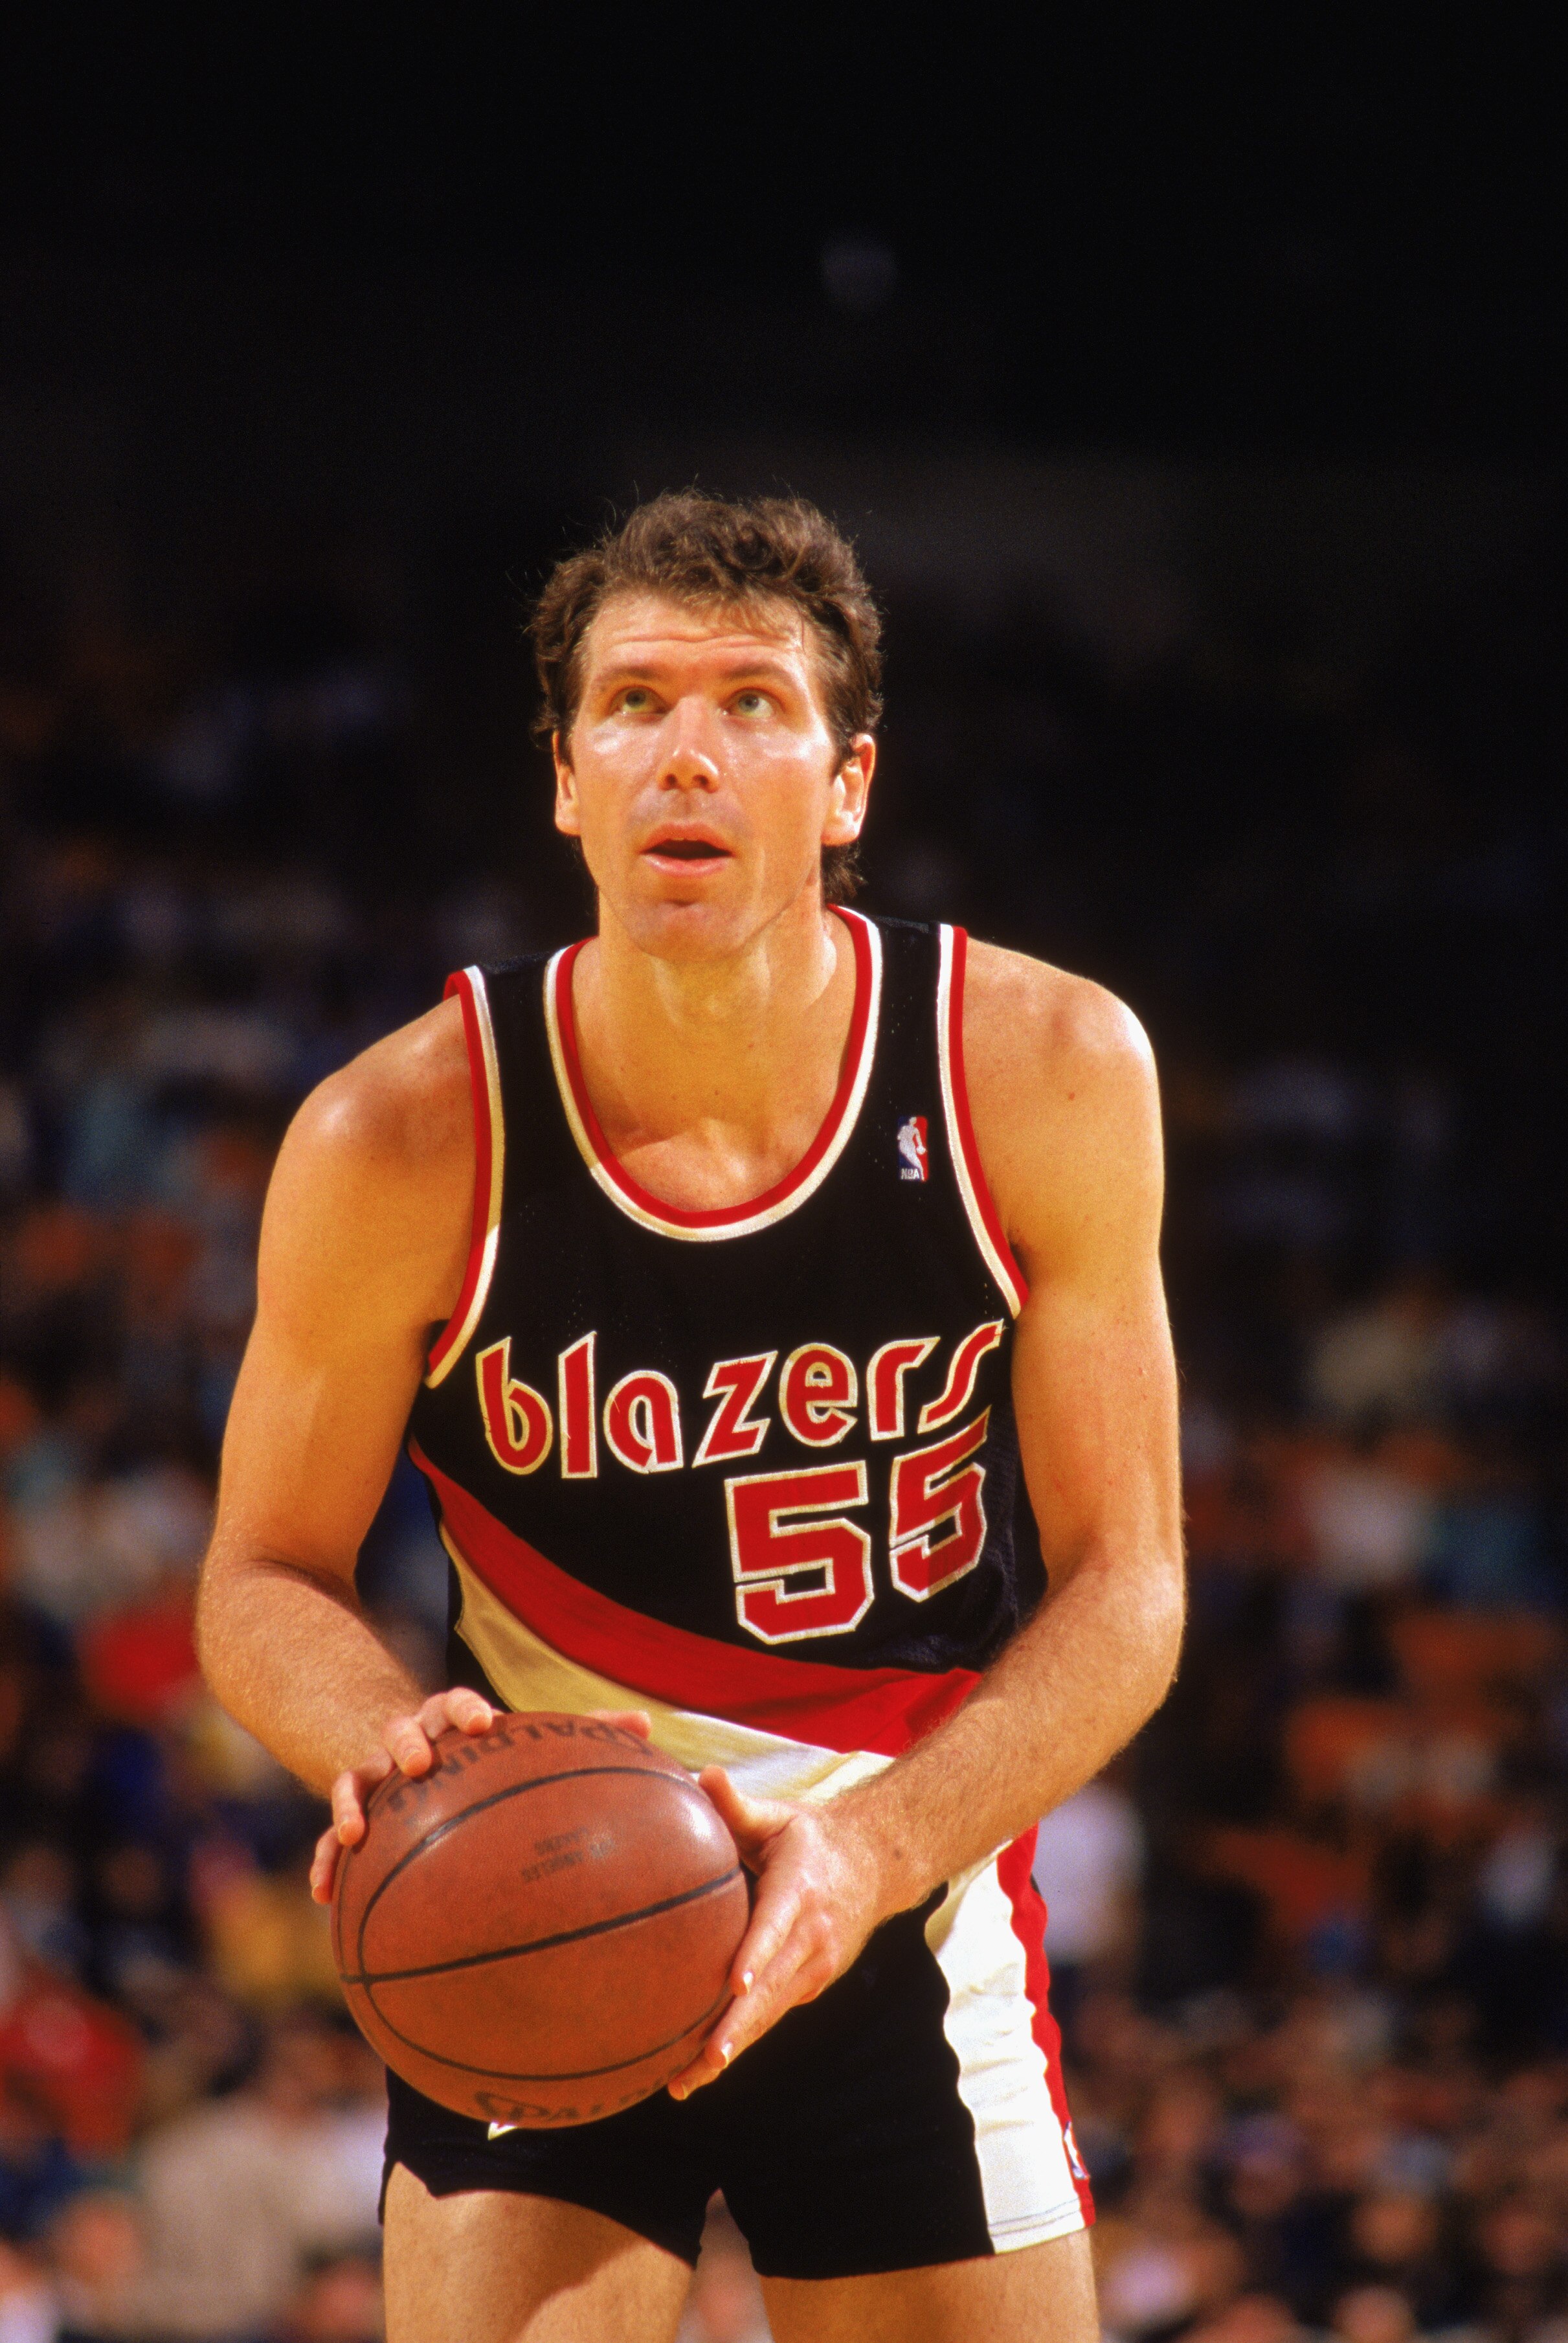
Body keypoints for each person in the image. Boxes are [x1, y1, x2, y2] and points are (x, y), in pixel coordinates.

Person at [196, 492, 1184, 2343]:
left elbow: (1132, 1587)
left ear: (849, 782)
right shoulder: (401, 1135)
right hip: (540, 1900)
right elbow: (260, 1572)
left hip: (902, 1904)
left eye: (752, 702)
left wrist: (873, 1852)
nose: (688, 752)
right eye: (634, 703)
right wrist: (394, 1747)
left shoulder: (1040, 1071)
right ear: (567, 780)